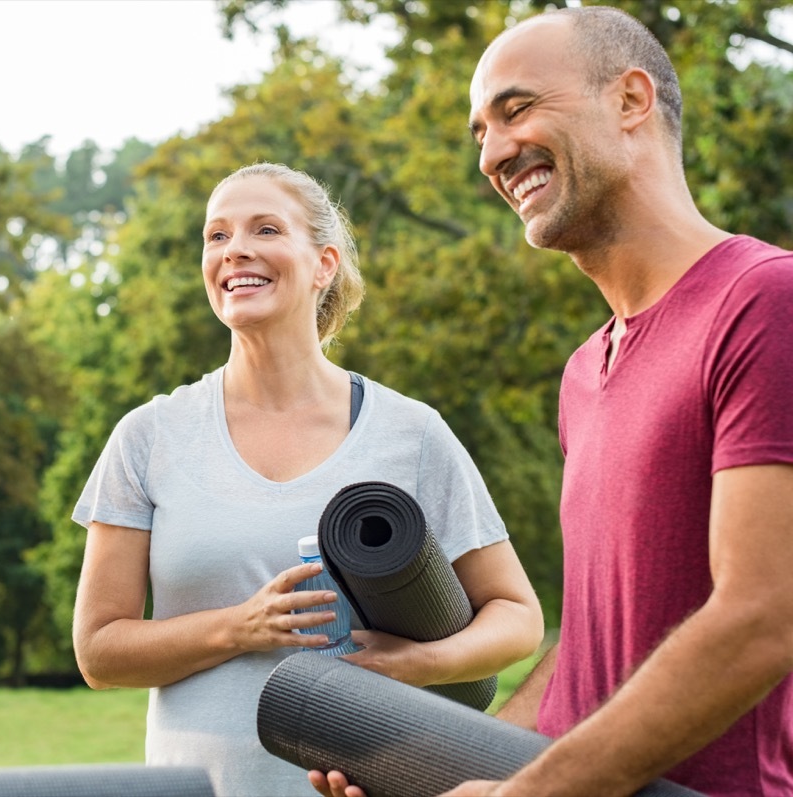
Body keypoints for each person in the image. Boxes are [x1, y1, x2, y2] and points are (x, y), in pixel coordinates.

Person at [310, 7, 793, 797]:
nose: (493, 154)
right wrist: (433, 771)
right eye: (479, 134)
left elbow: (762, 617)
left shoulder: (764, 301)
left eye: (517, 108)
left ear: (631, 100)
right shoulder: (583, 373)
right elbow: (589, 659)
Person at [72, 162, 544, 797]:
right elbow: (99, 652)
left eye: (265, 229)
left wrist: (419, 665)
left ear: (323, 263)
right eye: (217, 236)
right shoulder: (150, 435)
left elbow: (517, 617)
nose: (235, 249)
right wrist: (239, 627)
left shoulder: (412, 433)